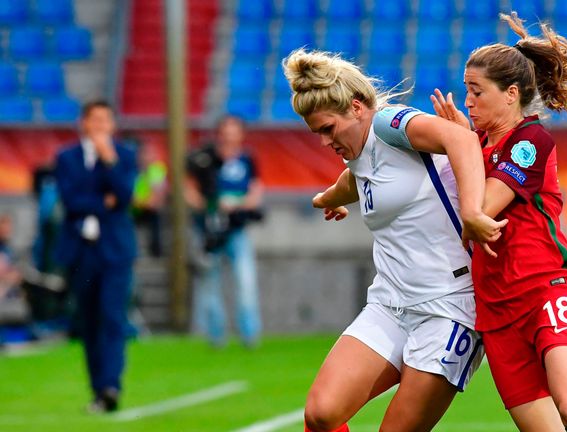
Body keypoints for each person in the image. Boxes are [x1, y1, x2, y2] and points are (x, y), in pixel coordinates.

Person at [282, 48, 506, 432]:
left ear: (356, 108)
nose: (324, 142)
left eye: (327, 129)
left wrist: (472, 211)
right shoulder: (358, 150)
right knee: (321, 414)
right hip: (390, 303)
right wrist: (328, 199)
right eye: (316, 132)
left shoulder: (389, 122)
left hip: (450, 309)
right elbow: (355, 178)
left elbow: (462, 140)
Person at [430, 12, 567, 432]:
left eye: (477, 92)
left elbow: (483, 206)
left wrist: (460, 148)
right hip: (495, 310)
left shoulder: (530, 141)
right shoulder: (472, 145)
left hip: (547, 289)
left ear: (511, 94)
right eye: (466, 91)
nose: (468, 101)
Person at [54, 100, 137, 412]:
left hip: (115, 251)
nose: (101, 126)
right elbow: (71, 200)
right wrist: (105, 202)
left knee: (113, 317)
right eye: (95, 120)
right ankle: (98, 388)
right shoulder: (66, 158)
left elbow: (126, 196)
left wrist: (110, 161)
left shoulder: (124, 156)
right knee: (88, 321)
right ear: (84, 124)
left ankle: (111, 386)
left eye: (107, 120)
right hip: (81, 251)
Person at [185, 114, 264, 348]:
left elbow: (256, 190)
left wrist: (239, 204)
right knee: (210, 282)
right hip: (209, 229)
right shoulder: (205, 160)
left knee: (245, 281)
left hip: (237, 229)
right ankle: (216, 336)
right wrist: (207, 205)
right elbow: (189, 188)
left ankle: (250, 335)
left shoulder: (247, 159)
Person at [131, 136, 167, 257]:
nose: (147, 157)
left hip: (147, 209)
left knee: (155, 215)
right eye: (144, 153)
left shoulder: (157, 170)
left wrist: (144, 202)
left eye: (150, 154)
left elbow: (157, 196)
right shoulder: (132, 170)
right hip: (133, 210)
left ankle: (156, 250)